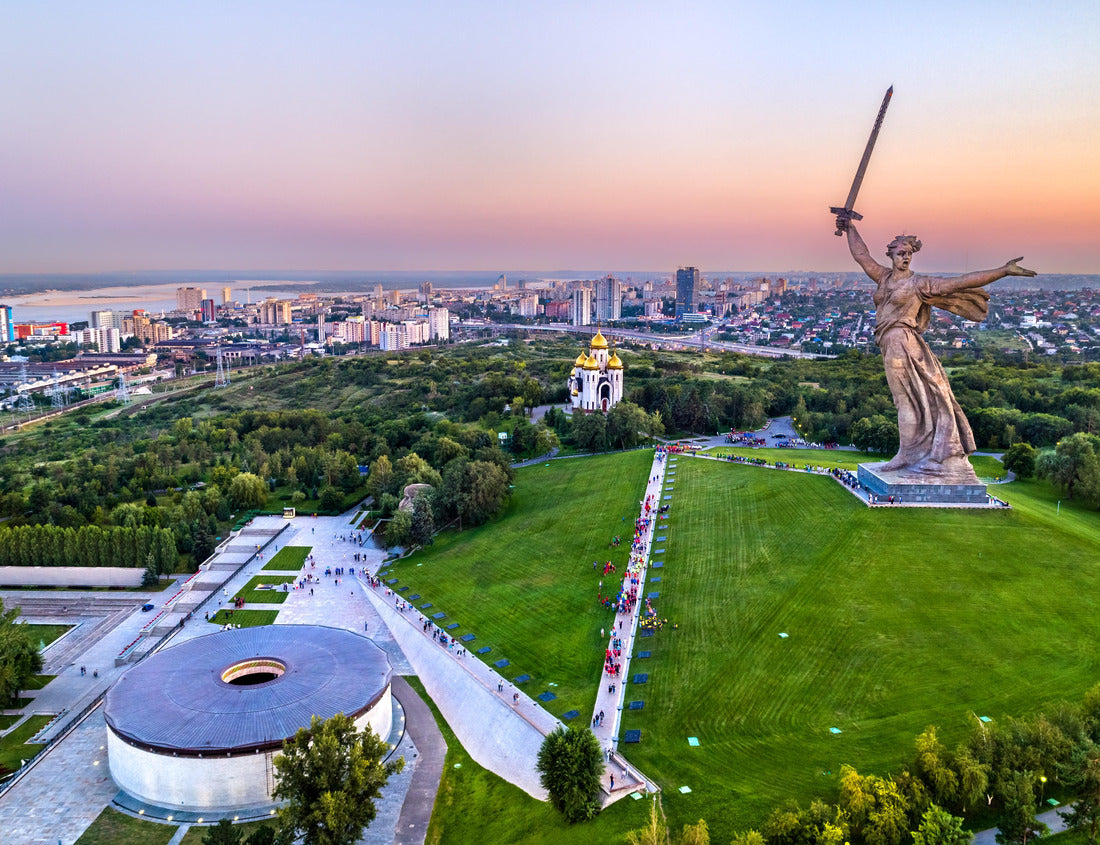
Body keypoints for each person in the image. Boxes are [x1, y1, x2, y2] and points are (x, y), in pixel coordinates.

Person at [841, 220, 1035, 481]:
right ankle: (911, 453)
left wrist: (1003, 271)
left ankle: (907, 454)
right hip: (889, 341)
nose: (906, 257)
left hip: (902, 342)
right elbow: (861, 255)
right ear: (891, 254)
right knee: (911, 400)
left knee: (905, 400)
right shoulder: (883, 276)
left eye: (909, 253)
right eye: (901, 253)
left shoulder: (919, 284)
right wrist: (849, 225)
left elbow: (960, 282)